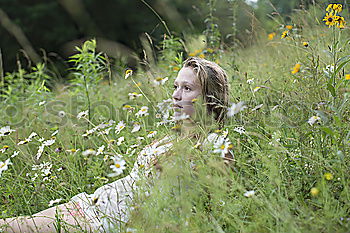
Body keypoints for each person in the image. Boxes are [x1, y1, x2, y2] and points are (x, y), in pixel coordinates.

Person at [0, 57, 230, 232]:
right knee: (14, 225)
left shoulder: (213, 144)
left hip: (108, 222)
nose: (176, 96)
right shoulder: (174, 136)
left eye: (187, 89)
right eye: (175, 86)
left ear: (210, 98)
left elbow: (213, 207)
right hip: (95, 203)